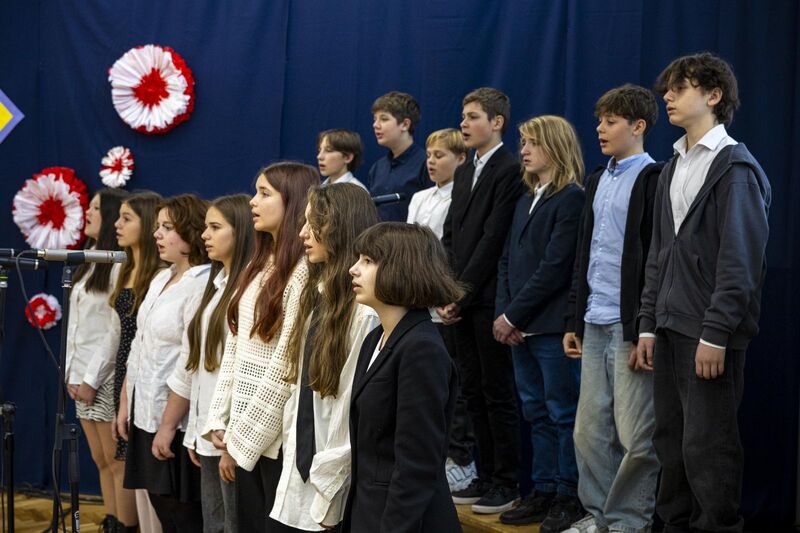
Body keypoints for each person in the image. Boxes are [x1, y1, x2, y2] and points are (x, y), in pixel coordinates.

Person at [637, 52, 770, 533]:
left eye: (680, 87)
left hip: (707, 335)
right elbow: (659, 254)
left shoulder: (735, 168)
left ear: (713, 96)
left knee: (708, 446)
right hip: (669, 328)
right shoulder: (671, 167)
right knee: (669, 443)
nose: (667, 97)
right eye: (666, 89)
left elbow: (740, 262)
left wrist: (715, 334)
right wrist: (648, 325)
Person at [562, 84, 663, 533]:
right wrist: (574, 318)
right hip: (593, 319)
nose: (600, 128)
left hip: (629, 325)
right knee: (588, 433)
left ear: (638, 127)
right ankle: (599, 516)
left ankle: (629, 522)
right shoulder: (597, 179)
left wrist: (647, 326)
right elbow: (584, 253)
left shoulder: (655, 178)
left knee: (634, 435)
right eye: (600, 120)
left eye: (612, 121)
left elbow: (655, 258)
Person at [203, 162, 317, 532]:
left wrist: (242, 441)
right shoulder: (259, 262)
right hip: (244, 436)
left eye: (265, 193)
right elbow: (236, 349)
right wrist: (221, 418)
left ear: (294, 202)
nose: (254, 201)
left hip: (274, 441)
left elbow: (285, 368)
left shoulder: (301, 272)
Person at [493, 115, 585, 530]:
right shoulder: (524, 199)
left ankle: (569, 495)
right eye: (522, 142)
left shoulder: (571, 199)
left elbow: (555, 268)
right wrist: (504, 314)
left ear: (555, 147)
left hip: (549, 327)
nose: (523, 150)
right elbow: (508, 260)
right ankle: (544, 489)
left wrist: (514, 314)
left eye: (532, 143)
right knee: (536, 413)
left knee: (563, 413)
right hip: (521, 328)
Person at [270, 183, 380, 531]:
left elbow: (349, 410)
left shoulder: (364, 313)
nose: (302, 233)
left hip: (333, 487)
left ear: (341, 225)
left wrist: (330, 494)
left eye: (313, 223)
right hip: (298, 473)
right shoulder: (315, 293)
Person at [343, 222, 463, 533]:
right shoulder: (375, 340)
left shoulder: (421, 348)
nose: (353, 270)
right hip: (368, 513)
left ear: (402, 268)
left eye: (368, 261)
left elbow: (416, 464)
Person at [441, 87, 524, 513]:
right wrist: (445, 287)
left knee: (497, 392)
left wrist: (462, 292)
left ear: (497, 122)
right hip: (460, 299)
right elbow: (452, 233)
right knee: (470, 392)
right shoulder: (464, 170)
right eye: (463, 116)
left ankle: (507, 480)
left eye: (473, 116)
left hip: (488, 299)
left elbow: (493, 240)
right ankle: (484, 473)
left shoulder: (509, 170)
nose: (464, 123)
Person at [157, 194, 254, 533]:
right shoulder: (216, 285)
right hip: (209, 432)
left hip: (230, 437)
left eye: (215, 228)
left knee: (233, 523)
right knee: (214, 524)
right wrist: (191, 432)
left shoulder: (249, 290)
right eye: (206, 227)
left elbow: (245, 376)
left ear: (240, 232)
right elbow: (195, 365)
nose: (204, 236)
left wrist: (232, 445)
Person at [117, 194, 212, 532]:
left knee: (181, 516)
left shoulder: (202, 283)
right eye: (157, 227)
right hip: (145, 412)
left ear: (191, 231)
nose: (157, 234)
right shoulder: (161, 277)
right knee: (160, 512)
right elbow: (139, 345)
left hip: (173, 419)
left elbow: (190, 362)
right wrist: (125, 402)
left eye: (167, 227)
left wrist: (169, 424)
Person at [85, 190, 163, 533]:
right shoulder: (127, 267)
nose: (117, 224)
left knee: (134, 466)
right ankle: (119, 524)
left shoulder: (158, 274)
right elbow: (116, 333)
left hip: (147, 378)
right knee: (117, 460)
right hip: (124, 374)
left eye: (126, 218)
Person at [65, 188, 129, 533]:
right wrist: (73, 374)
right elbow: (79, 327)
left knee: (116, 461)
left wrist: (90, 378)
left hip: (101, 378)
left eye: (96, 208)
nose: (88, 212)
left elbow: (113, 331)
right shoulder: (90, 257)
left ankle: (123, 523)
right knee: (99, 459)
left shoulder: (117, 265)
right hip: (80, 376)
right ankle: (110, 518)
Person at [367, 91, 430, 221]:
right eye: (375, 119)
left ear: (405, 124)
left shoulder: (426, 163)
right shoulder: (377, 168)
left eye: (384, 119)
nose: (375, 125)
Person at [406, 128, 466, 239]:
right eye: (428, 155)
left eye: (438, 156)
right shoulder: (418, 197)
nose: (431, 161)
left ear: (461, 159)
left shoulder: (462, 200)